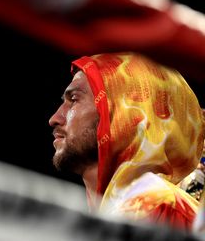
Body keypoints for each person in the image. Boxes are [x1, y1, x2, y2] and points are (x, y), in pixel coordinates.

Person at [49, 52, 205, 231]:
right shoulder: (123, 211)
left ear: (124, 113)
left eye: (74, 100)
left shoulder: (156, 202)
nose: (54, 118)